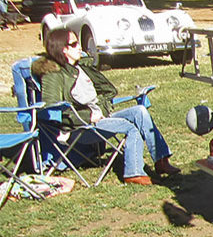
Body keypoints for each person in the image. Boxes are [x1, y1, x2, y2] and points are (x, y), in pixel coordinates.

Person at [32, 27, 179, 186]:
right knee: (130, 127)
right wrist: (88, 116)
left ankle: (161, 161)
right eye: (74, 44)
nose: (80, 47)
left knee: (139, 111)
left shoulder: (81, 68)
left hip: (100, 118)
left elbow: (103, 93)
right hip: (81, 127)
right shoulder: (54, 74)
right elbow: (52, 109)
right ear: (62, 49)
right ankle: (133, 173)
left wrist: (102, 109)